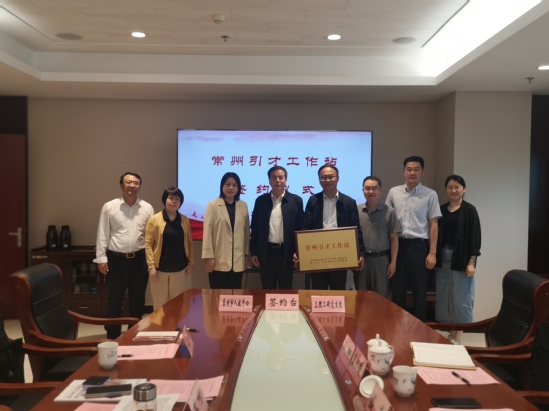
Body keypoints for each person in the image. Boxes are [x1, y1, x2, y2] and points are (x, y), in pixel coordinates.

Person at [94, 172, 154, 339]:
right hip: (116, 260)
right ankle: (112, 334)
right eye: (128, 182)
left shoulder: (147, 208)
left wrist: (151, 261)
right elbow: (102, 233)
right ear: (121, 185)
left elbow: (151, 237)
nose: (132, 186)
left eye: (136, 183)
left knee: (138, 299)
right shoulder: (109, 207)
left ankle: (133, 333)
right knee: (115, 298)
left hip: (140, 259)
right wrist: (101, 258)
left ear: (139, 186)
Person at [386, 156, 441, 321]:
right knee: (398, 290)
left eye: (416, 169)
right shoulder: (394, 192)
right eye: (409, 169)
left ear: (422, 172)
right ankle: (397, 327)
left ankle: (419, 329)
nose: (412, 173)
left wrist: (432, 253)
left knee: (420, 291)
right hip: (398, 247)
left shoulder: (430, 194)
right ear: (403, 172)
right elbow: (387, 220)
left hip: (419, 247)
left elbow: (434, 224)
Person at [303, 164, 365, 290]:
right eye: (323, 177)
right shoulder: (313, 201)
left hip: (339, 254)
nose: (327, 180)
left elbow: (356, 229)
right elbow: (305, 228)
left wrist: (361, 253)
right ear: (319, 180)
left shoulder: (349, 202)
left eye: (331, 177)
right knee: (318, 292)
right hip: (317, 254)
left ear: (338, 178)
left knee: (338, 292)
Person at [435, 175, 481, 344]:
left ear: (464, 189)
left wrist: (471, 262)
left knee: (461, 298)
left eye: (457, 187)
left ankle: (457, 338)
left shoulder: (470, 210)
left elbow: (475, 237)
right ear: (446, 189)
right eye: (450, 187)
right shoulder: (441, 210)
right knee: (445, 297)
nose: (453, 190)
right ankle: (450, 334)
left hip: (461, 258)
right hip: (443, 258)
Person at [250, 166, 304, 289]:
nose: (277, 180)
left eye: (281, 177)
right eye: (274, 177)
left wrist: (298, 252)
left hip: (287, 253)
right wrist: (254, 253)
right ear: (269, 180)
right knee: (267, 289)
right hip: (266, 253)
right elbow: (255, 229)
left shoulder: (296, 201)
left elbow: (300, 228)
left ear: (286, 180)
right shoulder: (261, 201)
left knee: (286, 290)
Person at [145, 187, 194, 311]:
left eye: (177, 199)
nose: (174, 202)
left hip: (180, 269)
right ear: (165, 200)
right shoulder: (155, 219)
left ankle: (176, 324)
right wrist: (151, 266)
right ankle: (159, 325)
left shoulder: (184, 220)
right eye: (171, 198)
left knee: (177, 305)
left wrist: (190, 263)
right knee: (160, 306)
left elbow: (189, 243)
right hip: (159, 269)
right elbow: (148, 244)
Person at [202, 172, 250, 289]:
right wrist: (208, 257)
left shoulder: (243, 205)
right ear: (222, 186)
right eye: (227, 184)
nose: (231, 188)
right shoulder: (213, 205)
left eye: (234, 185)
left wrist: (246, 255)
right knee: (217, 296)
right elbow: (207, 233)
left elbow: (246, 233)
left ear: (239, 188)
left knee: (235, 296)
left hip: (238, 261)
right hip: (218, 260)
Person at [355, 176, 401, 297]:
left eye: (374, 188)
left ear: (380, 190)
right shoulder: (357, 211)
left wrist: (393, 263)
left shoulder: (390, 212)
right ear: (363, 190)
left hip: (381, 260)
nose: (371, 191)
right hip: (362, 261)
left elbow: (394, 238)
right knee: (361, 297)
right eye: (367, 188)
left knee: (380, 298)